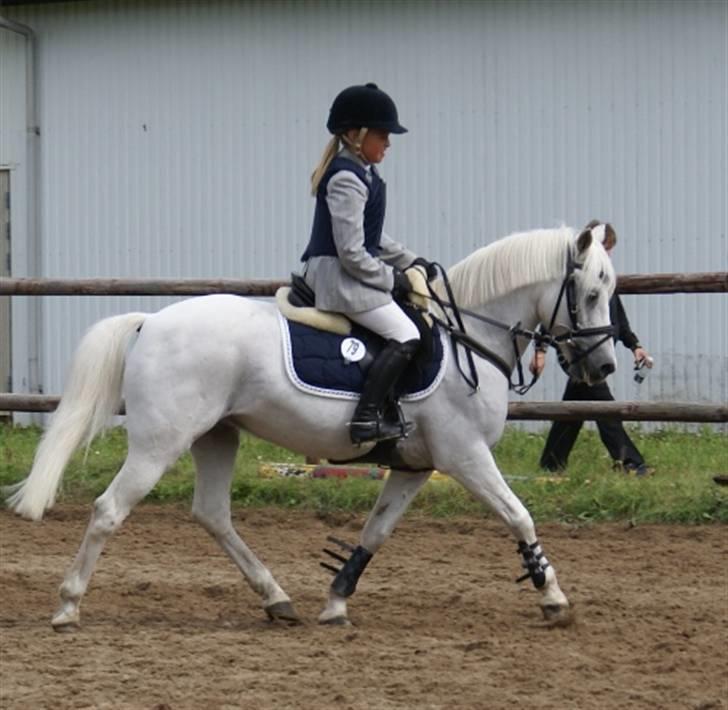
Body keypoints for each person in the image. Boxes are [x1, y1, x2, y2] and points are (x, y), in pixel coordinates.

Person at [300, 83, 435, 445]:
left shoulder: (363, 172)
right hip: (339, 276)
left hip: (348, 271)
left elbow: (374, 236)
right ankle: (366, 418)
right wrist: (395, 280)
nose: (388, 143)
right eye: (381, 135)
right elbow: (353, 253)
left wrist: (412, 261)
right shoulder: (346, 177)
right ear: (354, 135)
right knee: (407, 333)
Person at [529, 223, 654, 475]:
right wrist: (540, 349)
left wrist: (635, 346)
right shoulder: (579, 280)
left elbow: (618, 317)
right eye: (606, 249)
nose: (608, 255)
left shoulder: (603, 278)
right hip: (579, 350)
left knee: (575, 409)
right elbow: (552, 315)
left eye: (609, 250)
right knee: (603, 406)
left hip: (597, 350)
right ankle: (630, 462)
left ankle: (551, 463)